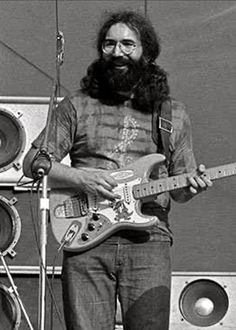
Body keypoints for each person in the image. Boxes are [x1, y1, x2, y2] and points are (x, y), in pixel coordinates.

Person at [23, 10, 212, 330]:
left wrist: (191, 187)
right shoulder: (77, 105)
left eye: (128, 44)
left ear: (147, 53)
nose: (117, 52)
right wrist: (82, 177)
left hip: (149, 240)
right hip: (86, 239)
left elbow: (179, 191)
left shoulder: (172, 112)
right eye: (109, 44)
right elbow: (33, 163)